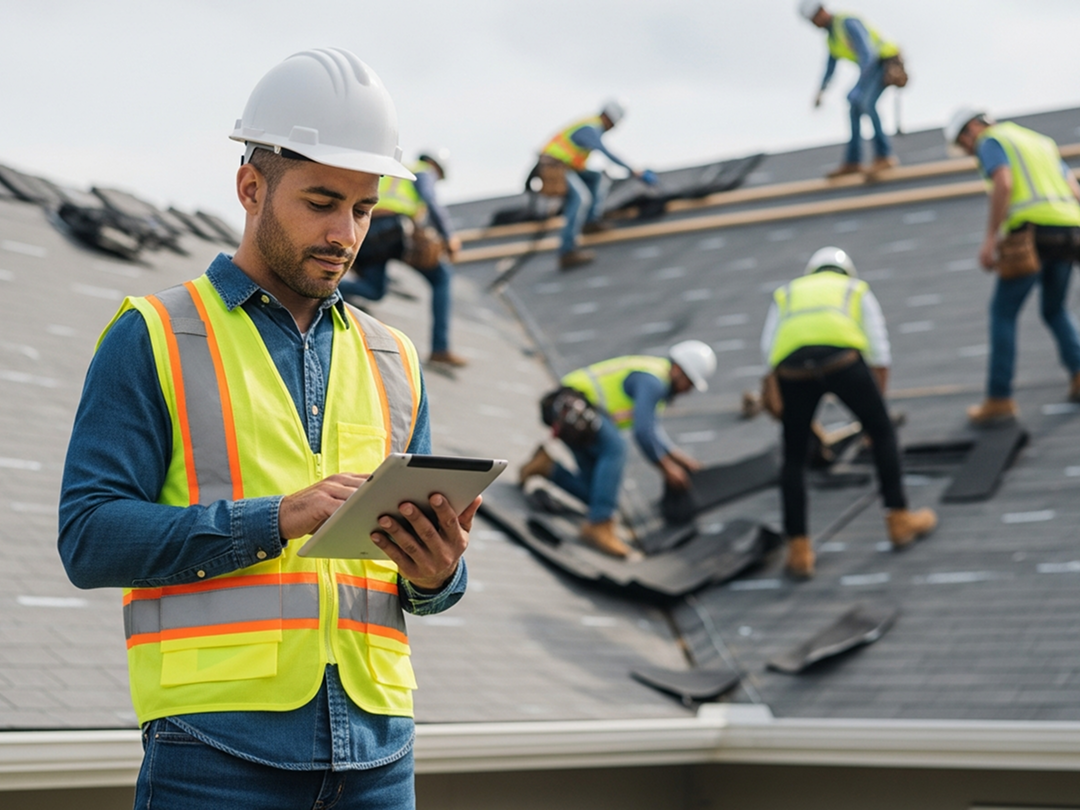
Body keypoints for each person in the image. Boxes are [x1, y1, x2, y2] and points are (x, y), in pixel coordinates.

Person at [57, 48, 477, 810]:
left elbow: (423, 594)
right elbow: (88, 539)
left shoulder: (397, 359)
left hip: (380, 758)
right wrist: (279, 517)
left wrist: (438, 573)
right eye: (321, 201)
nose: (344, 233)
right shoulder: (154, 334)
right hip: (215, 757)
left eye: (363, 208)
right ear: (251, 187)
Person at [761, 247, 937, 579]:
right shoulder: (855, 290)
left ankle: (799, 550)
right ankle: (898, 520)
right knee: (884, 433)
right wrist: (874, 414)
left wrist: (792, 410)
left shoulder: (788, 292)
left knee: (794, 458)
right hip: (842, 361)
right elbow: (879, 351)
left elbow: (768, 350)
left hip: (792, 369)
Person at [519, 340, 717, 558]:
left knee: (596, 493)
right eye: (689, 383)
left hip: (573, 417)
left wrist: (683, 461)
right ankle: (600, 525)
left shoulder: (655, 380)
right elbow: (643, 432)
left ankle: (546, 467)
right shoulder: (653, 382)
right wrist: (667, 468)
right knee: (616, 448)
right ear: (678, 370)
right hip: (573, 405)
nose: (687, 391)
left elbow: (653, 432)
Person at [944, 108, 1080, 423]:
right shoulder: (1038, 141)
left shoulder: (991, 140)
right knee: (1055, 309)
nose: (969, 152)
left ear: (972, 129)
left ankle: (999, 398)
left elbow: (1003, 183)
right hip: (1068, 231)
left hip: (1031, 234)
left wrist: (991, 238)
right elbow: (1073, 188)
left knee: (1003, 314)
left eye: (965, 146)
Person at [337, 147, 468, 367]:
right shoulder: (424, 171)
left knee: (374, 290)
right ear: (436, 166)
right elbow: (429, 198)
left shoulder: (398, 171)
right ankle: (440, 348)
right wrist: (448, 236)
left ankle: (320, 289)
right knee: (441, 277)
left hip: (370, 229)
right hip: (394, 231)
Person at [538, 101, 657, 271]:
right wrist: (634, 171)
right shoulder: (590, 128)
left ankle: (590, 222)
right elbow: (605, 151)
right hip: (555, 166)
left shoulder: (592, 125)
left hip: (568, 167)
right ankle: (567, 252)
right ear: (609, 119)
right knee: (579, 198)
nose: (612, 128)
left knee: (598, 179)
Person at [798, 1, 900, 178]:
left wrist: (859, 87)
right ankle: (854, 161)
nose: (815, 24)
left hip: (884, 61)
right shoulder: (832, 38)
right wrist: (821, 91)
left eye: (814, 19)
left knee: (867, 104)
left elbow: (868, 56)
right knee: (854, 109)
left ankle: (884, 156)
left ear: (821, 11)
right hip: (872, 66)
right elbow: (830, 68)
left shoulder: (846, 23)